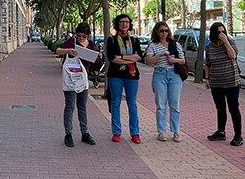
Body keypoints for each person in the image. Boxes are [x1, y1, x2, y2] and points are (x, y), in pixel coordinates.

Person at [54, 22, 97, 147]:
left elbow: (97, 62)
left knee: (82, 107)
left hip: (83, 80)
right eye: (79, 36)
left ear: (88, 35)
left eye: (84, 36)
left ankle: (85, 133)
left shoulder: (91, 45)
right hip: (71, 79)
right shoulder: (72, 42)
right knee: (70, 106)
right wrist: (68, 51)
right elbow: (58, 50)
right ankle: (68, 134)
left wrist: (93, 57)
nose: (82, 38)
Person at [105, 14, 143, 143]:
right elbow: (112, 59)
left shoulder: (135, 40)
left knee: (132, 104)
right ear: (117, 24)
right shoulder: (111, 40)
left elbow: (139, 57)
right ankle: (116, 132)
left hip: (132, 76)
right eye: (122, 22)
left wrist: (121, 58)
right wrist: (130, 58)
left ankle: (135, 132)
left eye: (127, 22)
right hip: (115, 75)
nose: (124, 24)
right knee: (115, 103)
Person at [145, 21, 186, 142]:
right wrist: (161, 54)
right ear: (156, 31)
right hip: (160, 74)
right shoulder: (153, 45)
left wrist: (174, 60)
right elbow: (149, 61)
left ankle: (175, 131)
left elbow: (183, 60)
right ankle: (161, 131)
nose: (164, 33)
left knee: (175, 105)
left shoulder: (175, 44)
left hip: (174, 75)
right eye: (161, 31)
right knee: (161, 105)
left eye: (166, 31)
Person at [204, 22, 242, 146]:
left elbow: (233, 56)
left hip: (231, 82)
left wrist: (226, 42)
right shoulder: (209, 48)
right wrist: (207, 78)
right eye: (219, 32)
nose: (221, 34)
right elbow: (208, 64)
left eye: (223, 32)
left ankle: (238, 135)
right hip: (216, 83)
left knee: (233, 108)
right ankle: (221, 132)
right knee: (220, 108)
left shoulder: (230, 43)